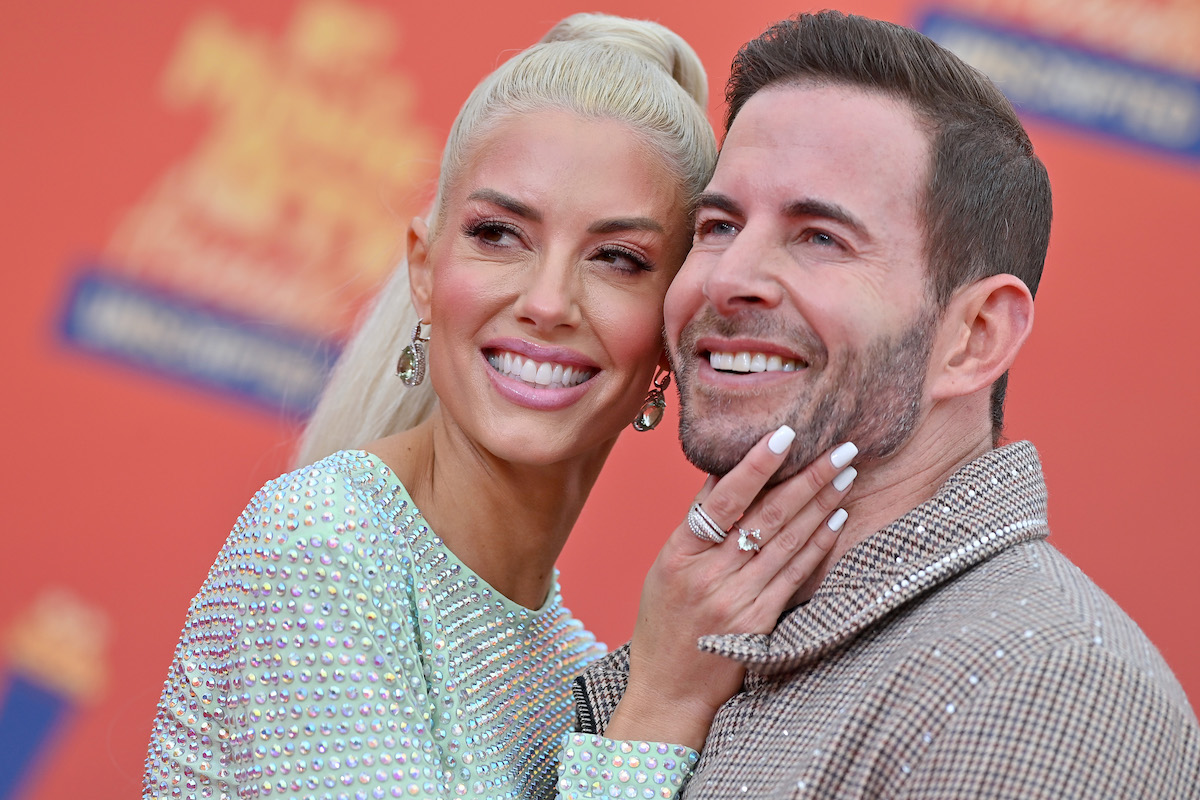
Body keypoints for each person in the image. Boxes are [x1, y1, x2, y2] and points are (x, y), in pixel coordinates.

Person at [143, 13, 861, 800]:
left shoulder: (581, 676)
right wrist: (661, 708)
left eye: (617, 258)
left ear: (671, 329)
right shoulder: (325, 545)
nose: (548, 302)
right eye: (499, 235)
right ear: (424, 269)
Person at [565, 10, 1200, 799]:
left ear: (973, 336)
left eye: (820, 237)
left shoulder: (1041, 689)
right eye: (719, 224)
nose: (726, 279)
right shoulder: (712, 644)